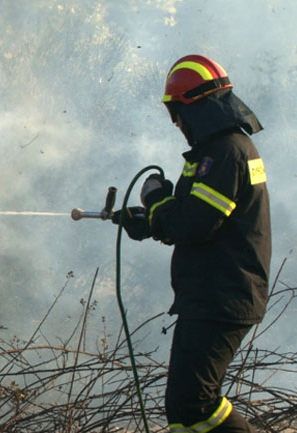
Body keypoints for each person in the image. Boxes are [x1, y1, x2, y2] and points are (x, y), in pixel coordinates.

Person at [113, 54, 271, 432]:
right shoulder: (220, 152)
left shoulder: (226, 153)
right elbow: (194, 216)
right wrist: (149, 220)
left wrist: (156, 202)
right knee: (185, 410)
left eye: (177, 113)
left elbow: (194, 224)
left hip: (222, 296)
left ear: (197, 107)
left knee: (195, 404)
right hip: (213, 294)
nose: (177, 124)